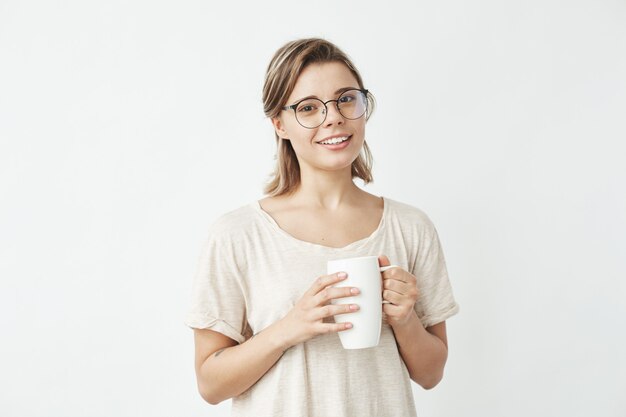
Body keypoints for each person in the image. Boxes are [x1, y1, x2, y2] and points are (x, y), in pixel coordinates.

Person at [185, 38, 460, 417]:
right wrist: (290, 327)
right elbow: (210, 384)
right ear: (279, 124)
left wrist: (405, 319)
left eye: (346, 99)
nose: (334, 117)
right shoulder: (237, 235)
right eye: (309, 108)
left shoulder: (411, 227)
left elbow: (431, 374)